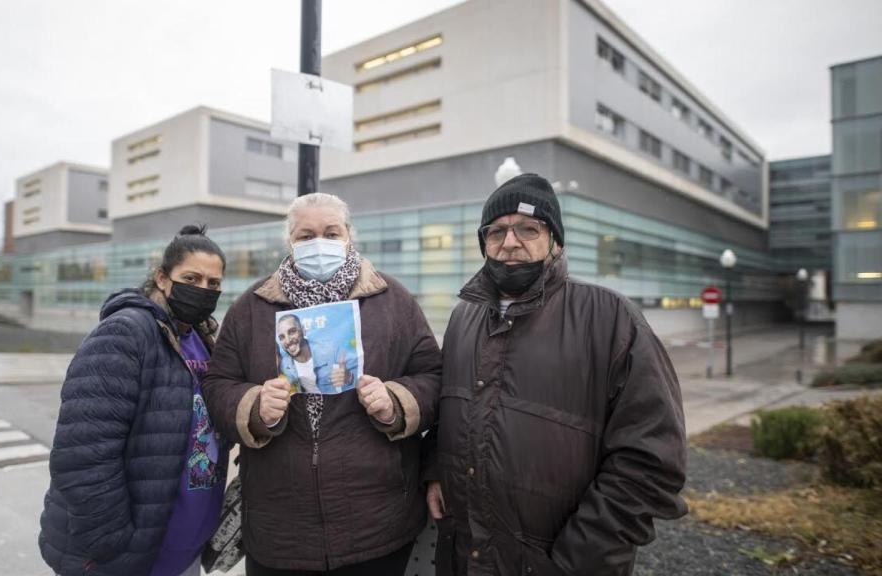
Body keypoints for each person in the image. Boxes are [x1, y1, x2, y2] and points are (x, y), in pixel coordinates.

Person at [423, 174, 687, 575]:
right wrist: (436, 470)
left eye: (528, 228)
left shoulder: (610, 318)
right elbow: (448, 411)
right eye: (496, 231)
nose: (510, 242)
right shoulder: (464, 317)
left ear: (556, 241)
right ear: (484, 244)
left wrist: (579, 559)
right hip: (467, 556)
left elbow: (651, 461)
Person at [203, 192, 442, 575]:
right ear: (289, 242)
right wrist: (253, 406)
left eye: (331, 233)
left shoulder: (392, 300)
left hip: (376, 525)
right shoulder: (251, 308)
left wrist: (395, 401)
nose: (319, 243)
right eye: (305, 235)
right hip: (280, 527)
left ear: (350, 236)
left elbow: (432, 375)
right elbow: (217, 384)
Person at [39, 225, 229, 576]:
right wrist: (114, 545)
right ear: (161, 278)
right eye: (192, 277)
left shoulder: (204, 341)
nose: (203, 290)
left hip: (184, 549)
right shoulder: (126, 333)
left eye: (213, 283)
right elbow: (83, 455)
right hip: (133, 557)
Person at [275, 313, 355, 394]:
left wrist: (349, 377)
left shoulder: (331, 351)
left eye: (292, 332)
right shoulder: (284, 364)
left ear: (303, 330)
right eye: (282, 337)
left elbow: (358, 378)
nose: (288, 341)